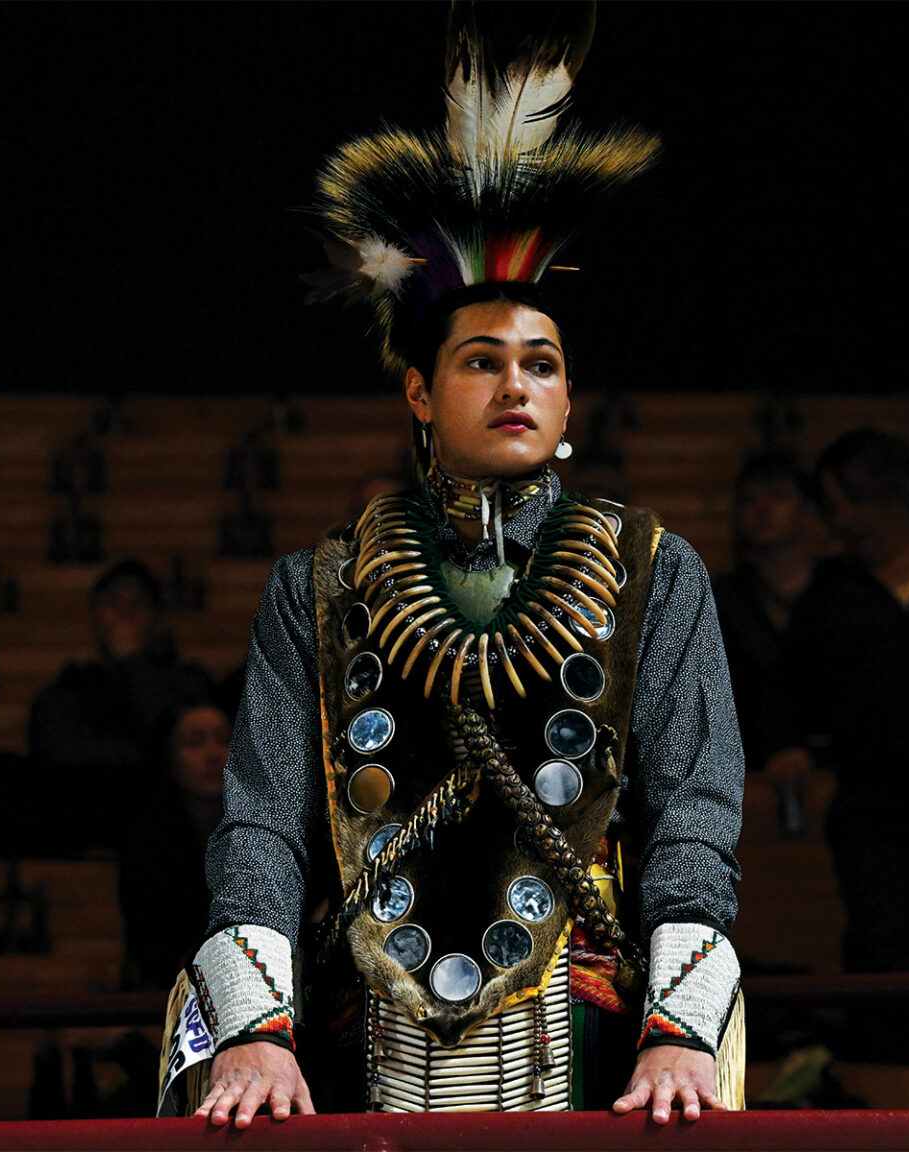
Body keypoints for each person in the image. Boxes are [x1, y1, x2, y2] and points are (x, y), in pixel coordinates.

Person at [169, 4, 744, 1127]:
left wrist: (679, 1033)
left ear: (570, 400)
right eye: (482, 361)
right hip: (353, 1030)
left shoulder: (653, 574)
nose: (516, 384)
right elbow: (262, 825)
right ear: (422, 396)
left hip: (584, 1029)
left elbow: (698, 816)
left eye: (543, 363)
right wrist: (255, 1034)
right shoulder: (321, 585)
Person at [765, 429, 909, 977]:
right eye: (833, 509)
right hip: (879, 808)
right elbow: (787, 689)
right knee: (887, 952)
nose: (845, 522)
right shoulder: (833, 593)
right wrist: (786, 744)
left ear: (897, 491)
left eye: (855, 502)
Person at [0, 559, 212, 857]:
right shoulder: (69, 688)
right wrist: (139, 755)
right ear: (93, 617)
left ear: (157, 619)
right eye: (112, 604)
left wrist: (133, 662)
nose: (124, 615)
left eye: (138, 605)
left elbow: (176, 741)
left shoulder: (186, 681)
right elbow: (56, 752)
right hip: (86, 810)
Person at [711, 454, 818, 777]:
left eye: (778, 496)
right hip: (746, 771)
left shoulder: (842, 591)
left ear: (807, 508)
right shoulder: (723, 597)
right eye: (748, 500)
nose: (762, 509)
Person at [118, 699, 232, 989]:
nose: (213, 754)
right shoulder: (148, 840)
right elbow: (151, 943)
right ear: (170, 760)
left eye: (224, 740)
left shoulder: (266, 828)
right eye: (195, 743)